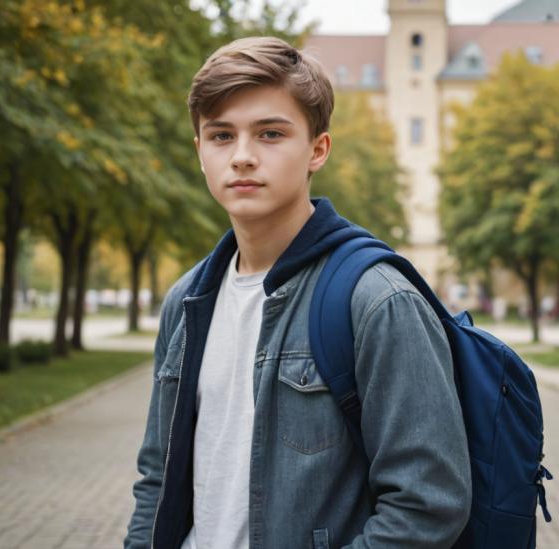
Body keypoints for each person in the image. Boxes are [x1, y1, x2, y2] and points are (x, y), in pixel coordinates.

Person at [124, 37, 471, 549]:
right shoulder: (186, 301)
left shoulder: (377, 301)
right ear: (199, 151)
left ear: (317, 150)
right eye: (221, 135)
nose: (242, 157)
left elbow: (427, 504)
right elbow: (156, 478)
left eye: (269, 133)